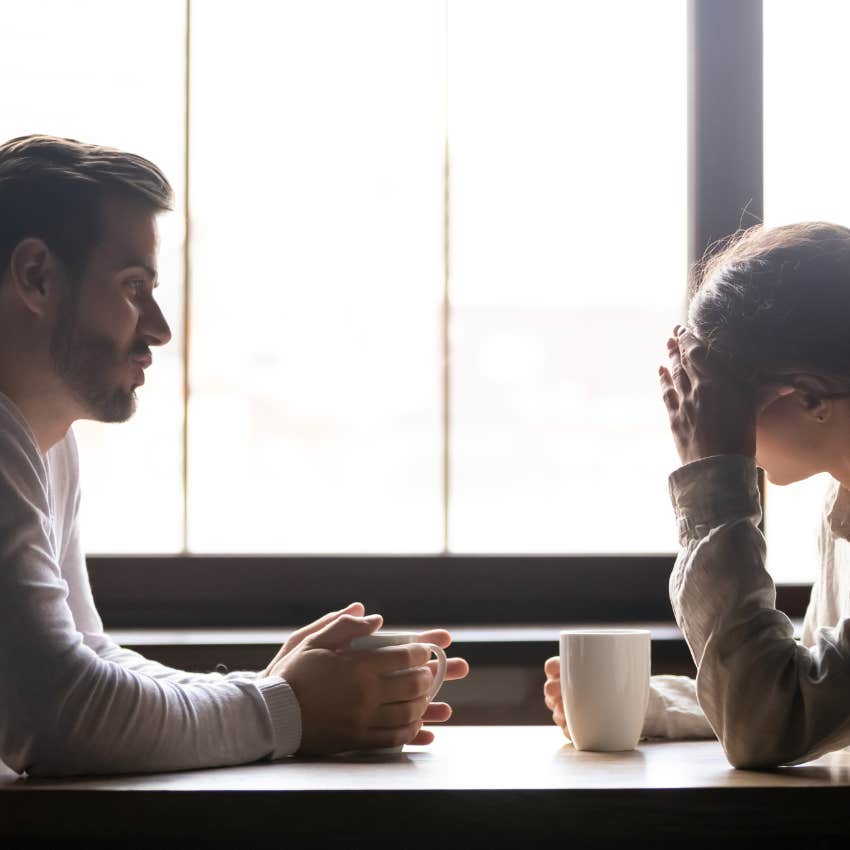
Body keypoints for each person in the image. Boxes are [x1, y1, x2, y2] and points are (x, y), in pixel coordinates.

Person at [0, 134, 469, 777]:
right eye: (133, 286)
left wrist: (279, 689)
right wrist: (289, 707)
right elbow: (57, 714)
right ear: (37, 277)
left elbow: (86, 657)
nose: (159, 328)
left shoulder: (44, 444)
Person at [545, 221, 850, 768]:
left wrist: (714, 478)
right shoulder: (841, 505)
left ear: (809, 398)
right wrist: (652, 704)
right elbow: (817, 687)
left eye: (716, 395)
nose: (696, 414)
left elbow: (769, 723)